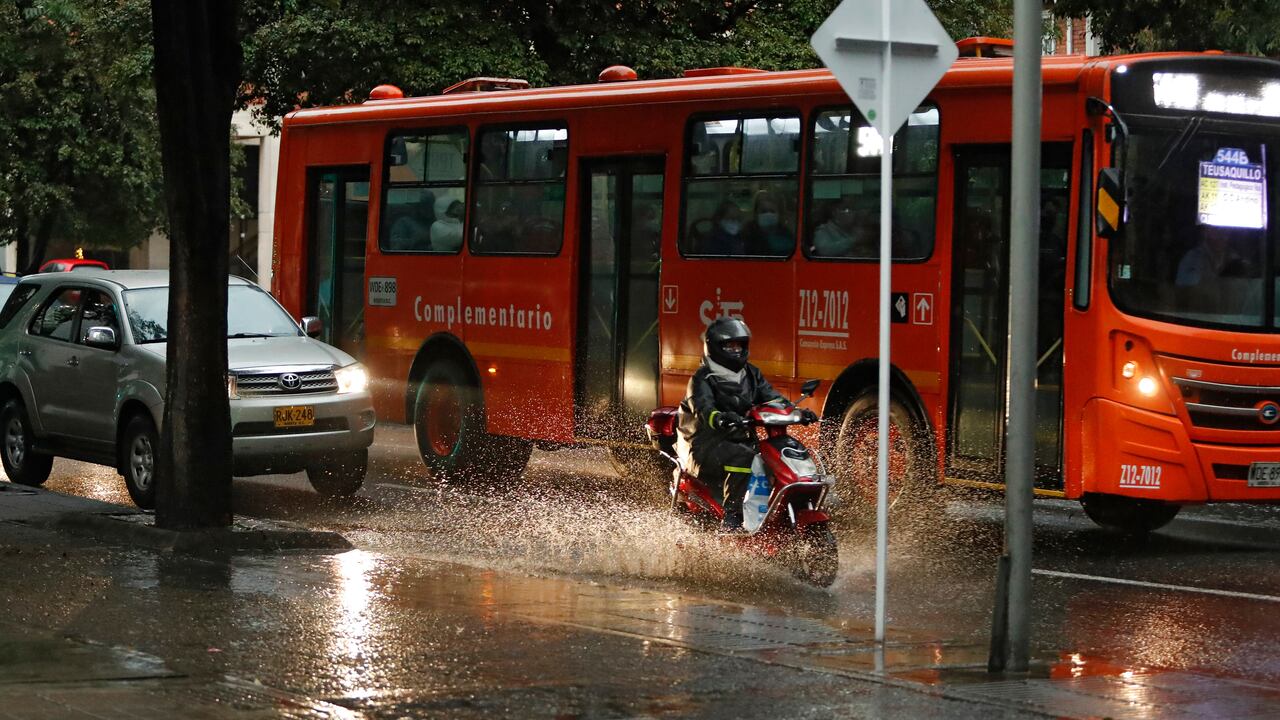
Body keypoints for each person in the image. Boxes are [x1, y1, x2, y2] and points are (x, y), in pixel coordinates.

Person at [676, 317, 816, 532]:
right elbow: (702, 406)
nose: (736, 349)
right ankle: (732, 516)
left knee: (772, 457)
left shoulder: (751, 373)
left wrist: (797, 412)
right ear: (715, 346)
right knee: (743, 457)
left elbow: (771, 398)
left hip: (741, 438)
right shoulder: (703, 377)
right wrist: (719, 417)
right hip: (705, 443)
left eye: (739, 344)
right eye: (729, 345)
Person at [744, 189, 793, 256]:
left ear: (779, 214)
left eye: (772, 211)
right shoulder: (747, 234)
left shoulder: (786, 235)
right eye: (764, 211)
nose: (768, 214)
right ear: (756, 214)